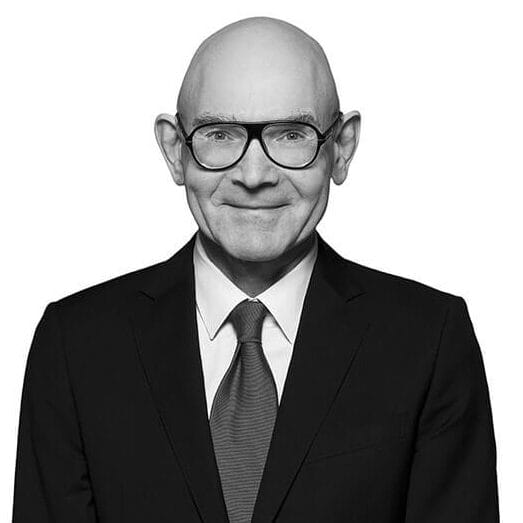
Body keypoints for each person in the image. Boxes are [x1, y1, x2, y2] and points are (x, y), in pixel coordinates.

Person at [12, 16, 499, 523]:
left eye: (291, 134)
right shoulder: (75, 346)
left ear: (342, 147)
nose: (253, 174)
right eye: (219, 134)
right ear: (175, 151)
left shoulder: (428, 341)